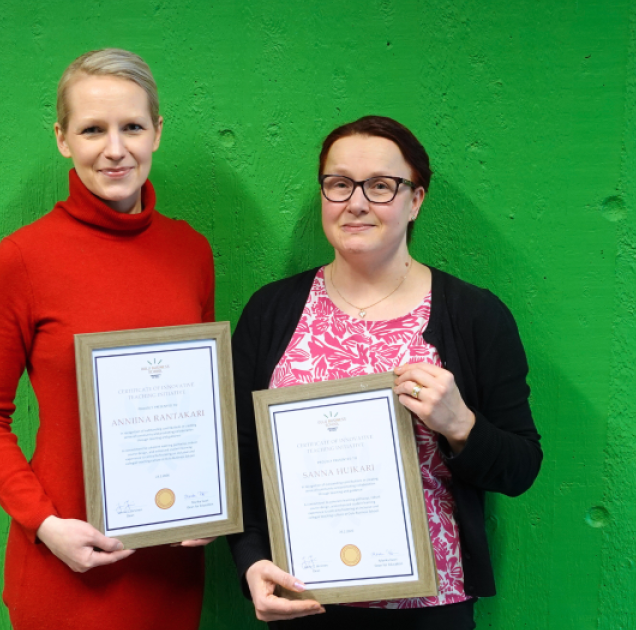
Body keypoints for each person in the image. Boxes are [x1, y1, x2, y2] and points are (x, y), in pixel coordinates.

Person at [227, 116, 542, 629]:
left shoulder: (475, 316)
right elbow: (239, 455)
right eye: (339, 183)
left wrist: (461, 426)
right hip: (304, 599)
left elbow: (522, 467)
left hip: (431, 608)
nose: (356, 203)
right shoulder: (272, 311)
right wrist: (250, 561)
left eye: (380, 186)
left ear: (415, 200)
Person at [0, 49, 215, 630]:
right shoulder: (21, 260)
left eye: (132, 127)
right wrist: (45, 525)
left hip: (169, 566)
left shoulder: (191, 252)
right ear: (62, 139)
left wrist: (211, 498)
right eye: (93, 129)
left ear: (157, 132)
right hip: (67, 560)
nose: (115, 149)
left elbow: (202, 404)